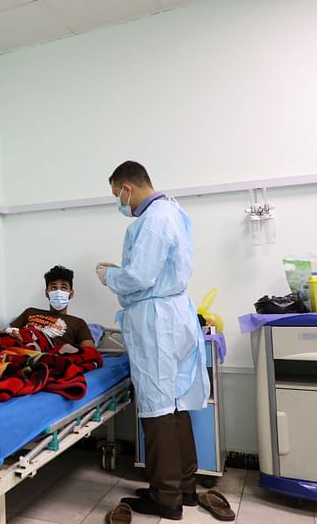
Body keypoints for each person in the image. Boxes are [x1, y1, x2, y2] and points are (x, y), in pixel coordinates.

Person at [95, 161, 209, 520]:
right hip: (174, 317)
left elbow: (140, 276)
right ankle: (185, 486)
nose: (120, 203)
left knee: (158, 407)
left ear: (128, 187)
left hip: (158, 322)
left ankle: (165, 496)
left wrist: (108, 275)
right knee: (176, 404)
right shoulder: (173, 211)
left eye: (118, 195)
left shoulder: (155, 218)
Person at [8, 265, 95, 353]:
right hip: (23, 351)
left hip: (51, 357)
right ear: (47, 293)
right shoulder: (30, 312)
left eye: (64, 288)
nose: (58, 292)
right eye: (53, 288)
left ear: (71, 294)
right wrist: (13, 334)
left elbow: (90, 352)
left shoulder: (78, 323)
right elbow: (6, 333)